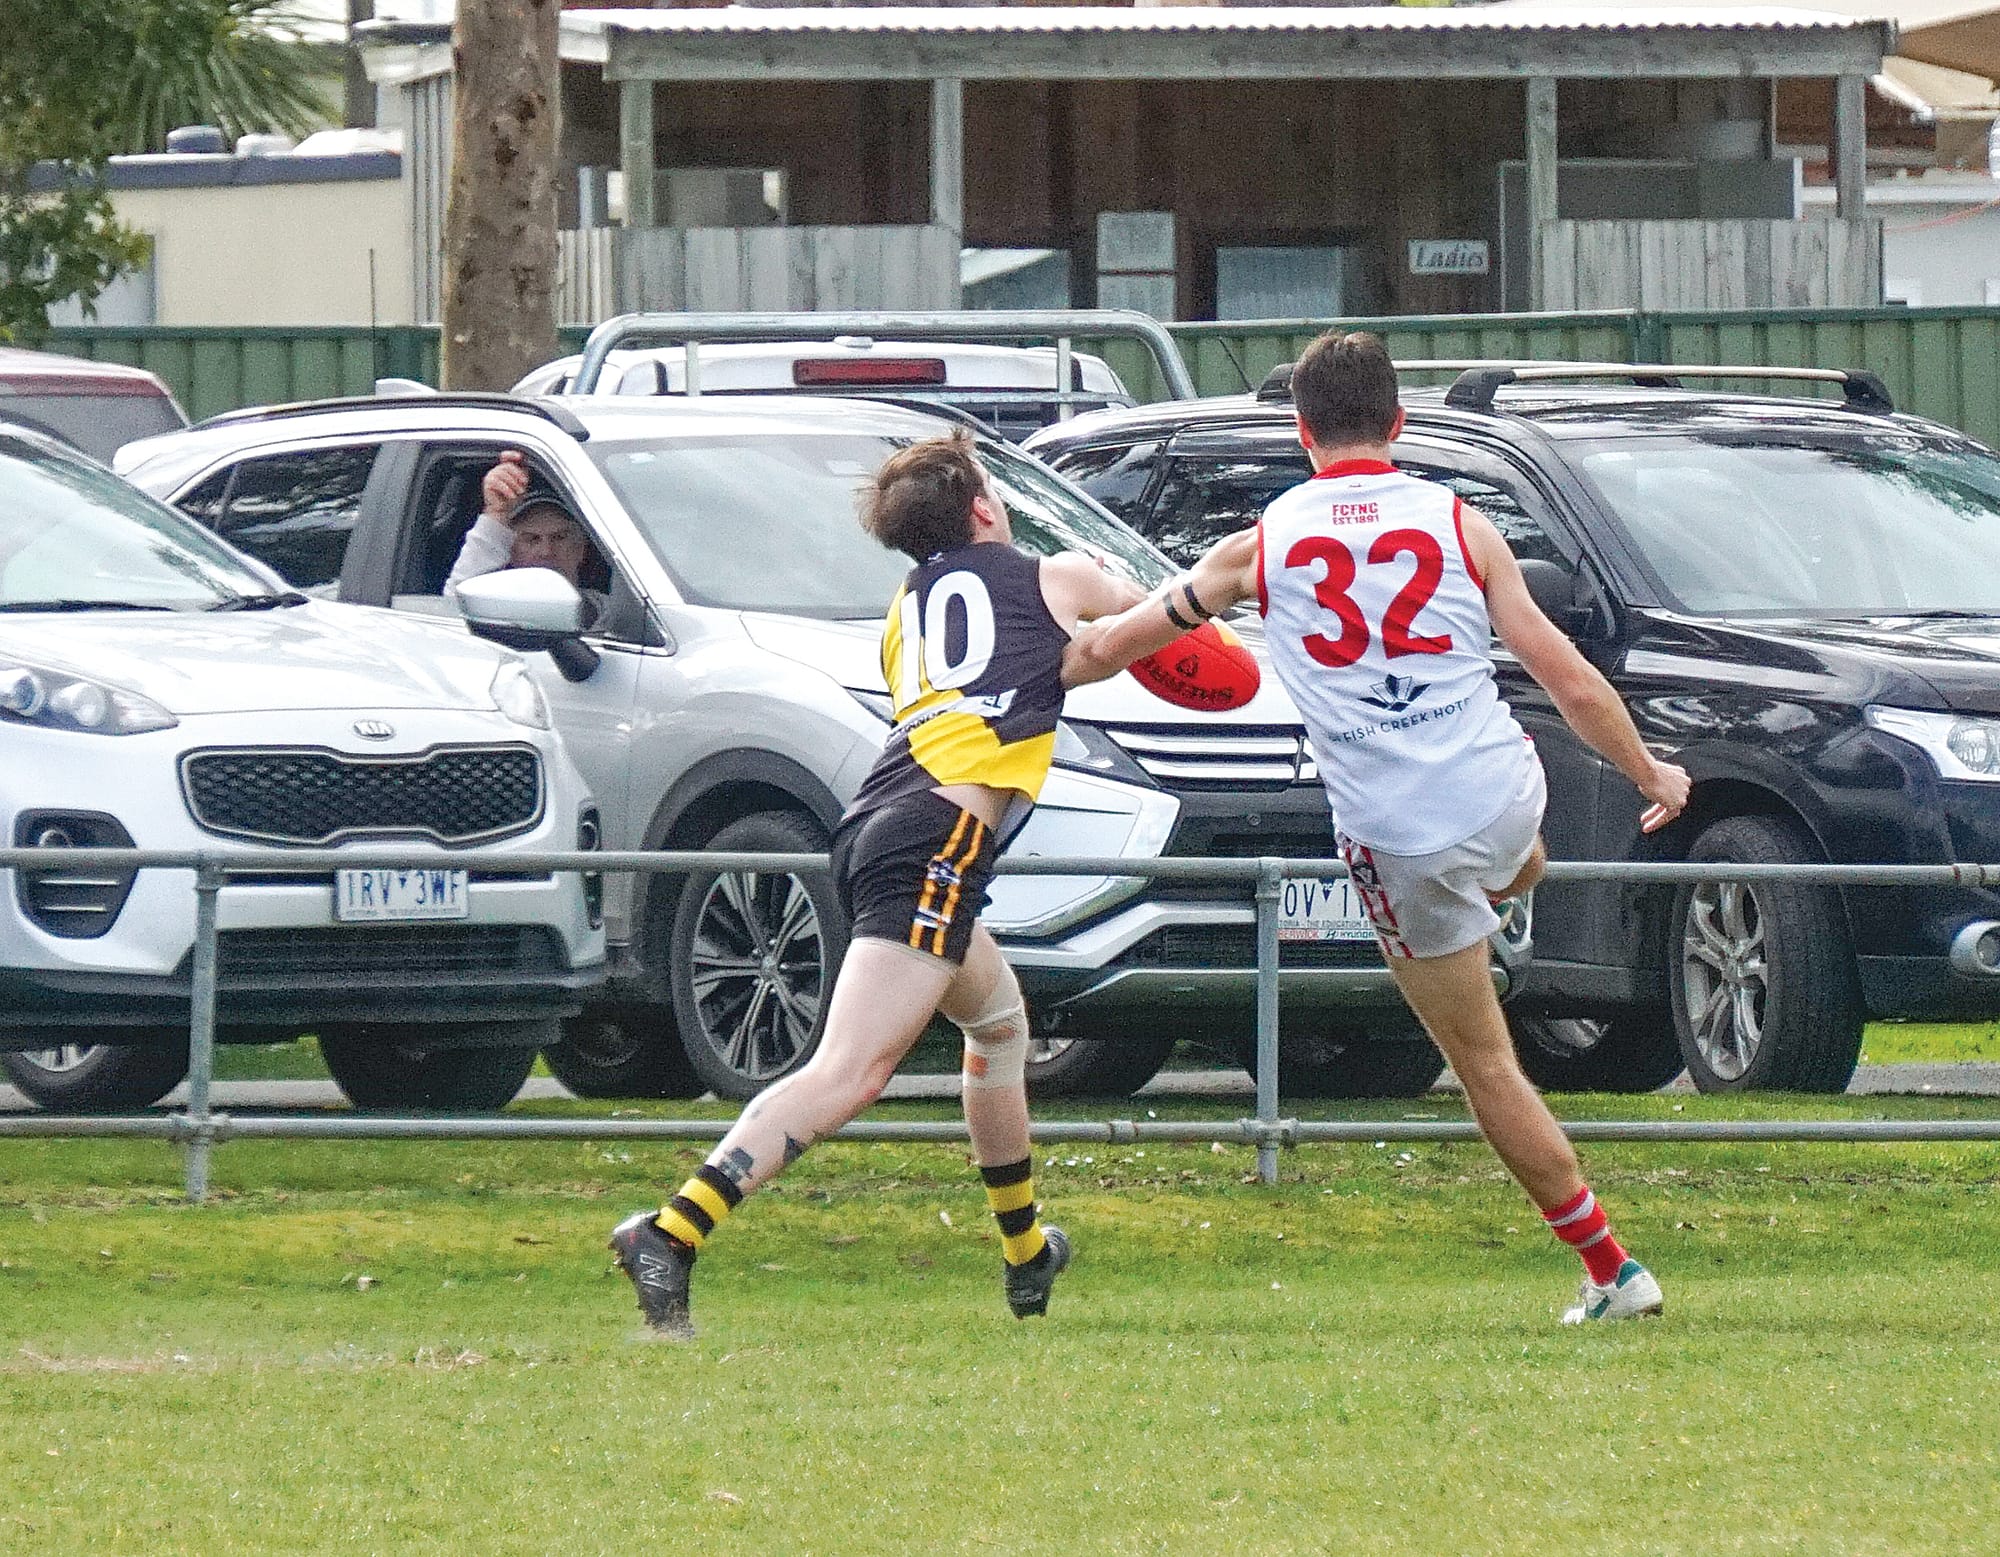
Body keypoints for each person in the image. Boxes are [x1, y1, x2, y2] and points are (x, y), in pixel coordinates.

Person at [1064, 331, 1693, 1325]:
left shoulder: (1258, 545)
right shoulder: (1459, 523)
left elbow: (1116, 645)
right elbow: (1564, 674)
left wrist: (1036, 663)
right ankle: (1508, 876)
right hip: (1501, 790)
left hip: (1394, 837)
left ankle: (1612, 1271)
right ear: (1398, 425)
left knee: (1484, 1062)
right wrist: (1648, 770)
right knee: (1499, 858)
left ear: (1299, 432)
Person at [608, 430, 1145, 1339]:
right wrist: (1214, 588)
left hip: (881, 825)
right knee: (851, 1070)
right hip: (938, 839)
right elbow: (1147, 621)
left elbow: (1009, 672)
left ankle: (1025, 1255)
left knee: (1000, 1026)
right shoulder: (1051, 576)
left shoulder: (903, 610)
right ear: (983, 505)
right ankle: (672, 1228)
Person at [444, 450, 603, 621]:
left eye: (559, 538)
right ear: (510, 551)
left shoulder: (612, 615)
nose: (546, 551)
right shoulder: (491, 610)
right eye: (532, 539)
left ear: (580, 549)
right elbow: (454, 608)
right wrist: (496, 513)